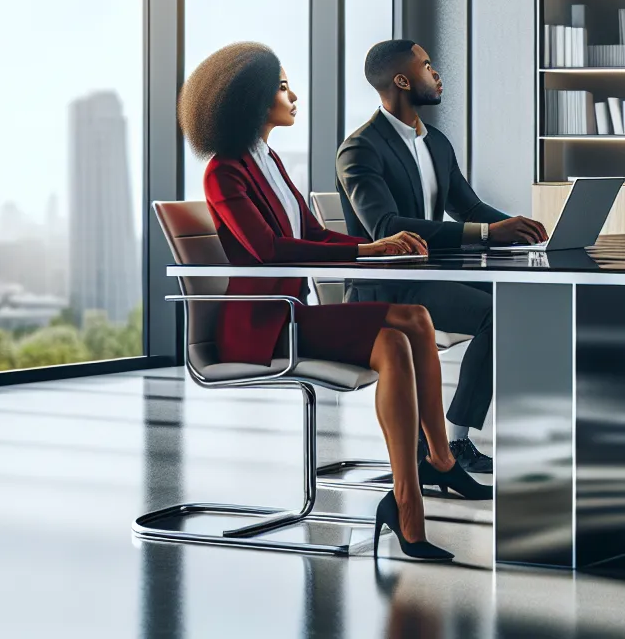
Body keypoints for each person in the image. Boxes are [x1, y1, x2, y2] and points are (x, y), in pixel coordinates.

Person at [178, 42, 490, 561]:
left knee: (416, 318)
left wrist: (373, 249)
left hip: (292, 315)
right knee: (393, 344)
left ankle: (436, 462)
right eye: (281, 87)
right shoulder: (225, 171)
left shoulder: (268, 161)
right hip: (260, 326)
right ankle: (409, 503)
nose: (292, 95)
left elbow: (315, 233)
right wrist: (370, 246)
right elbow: (268, 250)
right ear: (250, 99)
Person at [335, 39, 548, 474]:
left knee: (520, 301)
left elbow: (468, 209)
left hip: (429, 277)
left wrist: (524, 233)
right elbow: (387, 228)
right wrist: (489, 233)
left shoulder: (436, 143)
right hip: (387, 287)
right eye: (427, 66)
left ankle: (494, 434)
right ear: (401, 80)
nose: (437, 74)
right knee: (498, 314)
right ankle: (454, 443)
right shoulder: (360, 149)